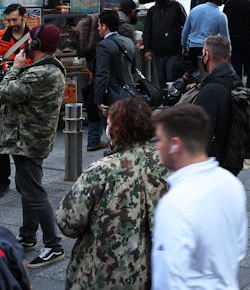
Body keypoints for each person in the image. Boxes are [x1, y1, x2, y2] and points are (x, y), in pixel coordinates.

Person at [55, 97, 169, 289]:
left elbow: (68, 223)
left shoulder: (101, 170)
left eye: (109, 123)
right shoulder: (167, 163)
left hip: (105, 273)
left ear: (116, 129)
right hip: (155, 271)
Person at [151, 104, 247, 288]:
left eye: (161, 139)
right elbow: (238, 249)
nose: (157, 145)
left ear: (175, 145)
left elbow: (168, 277)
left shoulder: (175, 203)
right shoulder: (230, 183)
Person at [0, 24, 66, 269]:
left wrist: (14, 68)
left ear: (36, 45)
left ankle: (53, 245)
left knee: (34, 192)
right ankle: (28, 236)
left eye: (29, 41)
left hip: (28, 140)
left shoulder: (41, 73)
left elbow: (4, 92)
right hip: (28, 138)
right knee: (27, 188)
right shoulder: (47, 68)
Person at [184, 35, 243, 174]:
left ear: (207, 55)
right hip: (231, 158)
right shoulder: (234, 80)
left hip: (213, 164)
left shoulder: (211, 90)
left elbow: (201, 133)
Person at [0, 4, 31, 197]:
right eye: (8, 20)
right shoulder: (1, 35)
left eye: (14, 20)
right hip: (5, 89)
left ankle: (25, 181)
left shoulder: (35, 36)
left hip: (27, 92)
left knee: (23, 139)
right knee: (1, 138)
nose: (11, 24)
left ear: (23, 17)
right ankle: (3, 180)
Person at [94, 10, 135, 123]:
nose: (98, 28)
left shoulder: (103, 46)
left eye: (98, 25)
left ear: (104, 26)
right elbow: (132, 68)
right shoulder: (128, 41)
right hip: (129, 92)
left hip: (113, 96)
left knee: (114, 131)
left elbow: (102, 74)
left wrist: (99, 99)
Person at [144, 0, 186, 89]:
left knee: (171, 76)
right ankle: (163, 99)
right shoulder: (152, 11)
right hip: (158, 52)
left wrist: (184, 45)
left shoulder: (176, 7)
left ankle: (172, 100)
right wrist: (147, 49)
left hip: (173, 51)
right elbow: (147, 31)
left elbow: (185, 25)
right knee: (161, 78)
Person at [181, 0, 229, 76]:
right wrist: (228, 55)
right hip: (209, 50)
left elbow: (185, 32)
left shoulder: (194, 10)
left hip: (193, 48)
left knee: (193, 75)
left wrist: (184, 48)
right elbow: (225, 39)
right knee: (210, 75)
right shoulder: (221, 16)